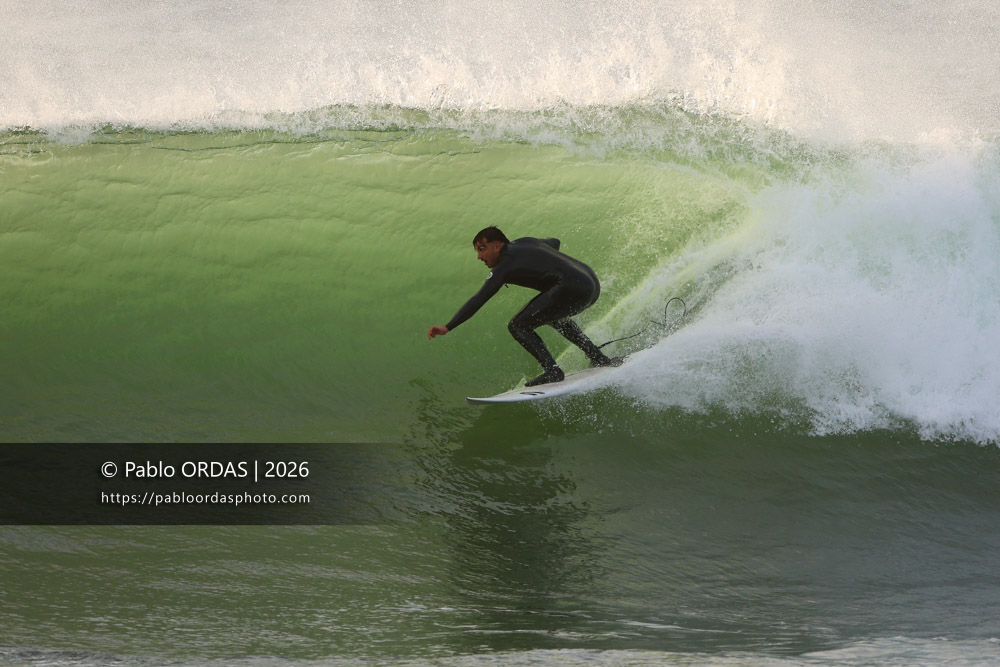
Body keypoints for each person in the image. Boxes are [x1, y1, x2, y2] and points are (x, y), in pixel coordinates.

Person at [427, 226, 622, 386]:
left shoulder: (504, 266)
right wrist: (546, 261)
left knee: (518, 325)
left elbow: (479, 299)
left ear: (497, 245)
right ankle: (597, 356)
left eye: (481, 249)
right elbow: (554, 242)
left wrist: (448, 326)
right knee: (553, 316)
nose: (479, 256)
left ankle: (552, 371)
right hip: (591, 285)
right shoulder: (526, 242)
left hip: (571, 287)